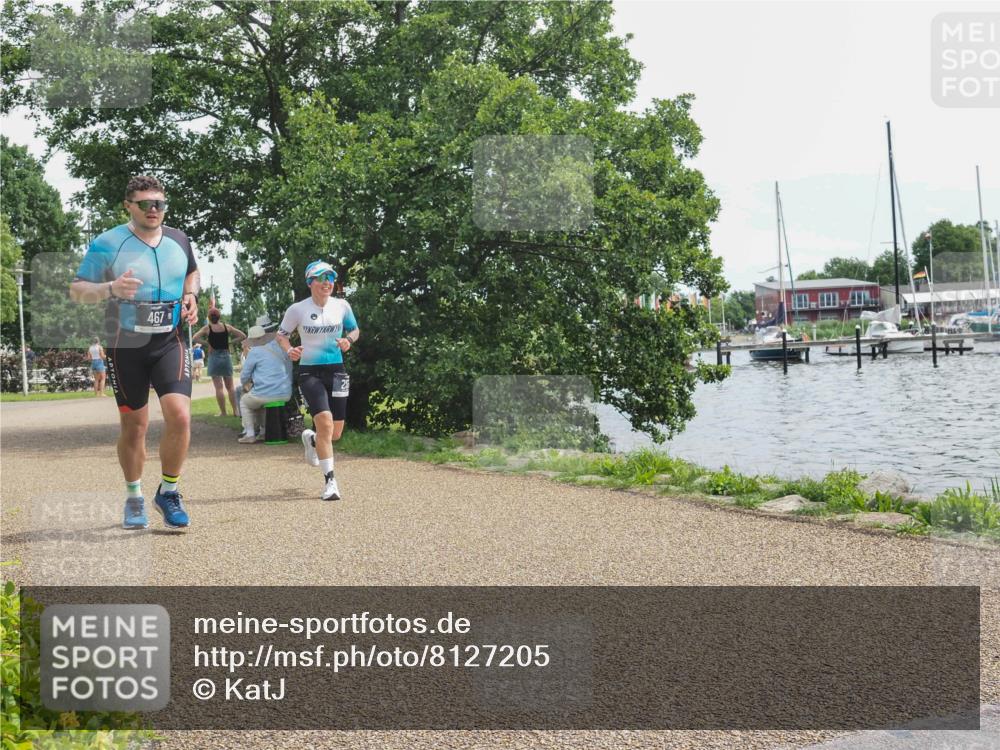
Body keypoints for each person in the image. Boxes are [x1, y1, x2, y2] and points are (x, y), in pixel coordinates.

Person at [69, 174, 199, 530]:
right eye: (145, 204)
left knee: (181, 415)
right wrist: (111, 286)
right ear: (129, 205)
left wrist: (192, 295)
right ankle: (134, 497)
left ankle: (169, 492)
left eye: (159, 203)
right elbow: (77, 290)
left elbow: (192, 273)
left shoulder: (179, 239)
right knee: (135, 425)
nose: (153, 209)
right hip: (124, 343)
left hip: (169, 340)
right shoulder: (108, 242)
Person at [276, 261, 359, 501]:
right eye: (321, 278)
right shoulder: (297, 310)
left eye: (330, 278)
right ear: (310, 282)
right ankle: (330, 482)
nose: (327, 283)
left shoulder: (342, 306)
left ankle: (311, 439)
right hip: (309, 372)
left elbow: (354, 330)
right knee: (324, 422)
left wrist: (349, 341)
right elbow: (281, 335)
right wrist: (289, 349)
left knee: (335, 433)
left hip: (337, 371)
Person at [237, 325, 293, 443]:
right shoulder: (279, 347)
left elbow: (244, 375)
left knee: (245, 402)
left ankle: (250, 434)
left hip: (266, 393)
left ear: (252, 340)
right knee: (260, 402)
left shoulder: (255, 352)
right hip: (285, 391)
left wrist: (245, 384)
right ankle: (263, 432)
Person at [193, 309, 246, 417]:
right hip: (226, 357)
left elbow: (195, 338)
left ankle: (223, 412)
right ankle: (236, 411)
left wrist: (207, 343)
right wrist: (230, 342)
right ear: (219, 317)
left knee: (219, 388)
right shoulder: (227, 327)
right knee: (230, 387)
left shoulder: (207, 328)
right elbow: (243, 335)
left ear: (209, 317)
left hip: (214, 358)